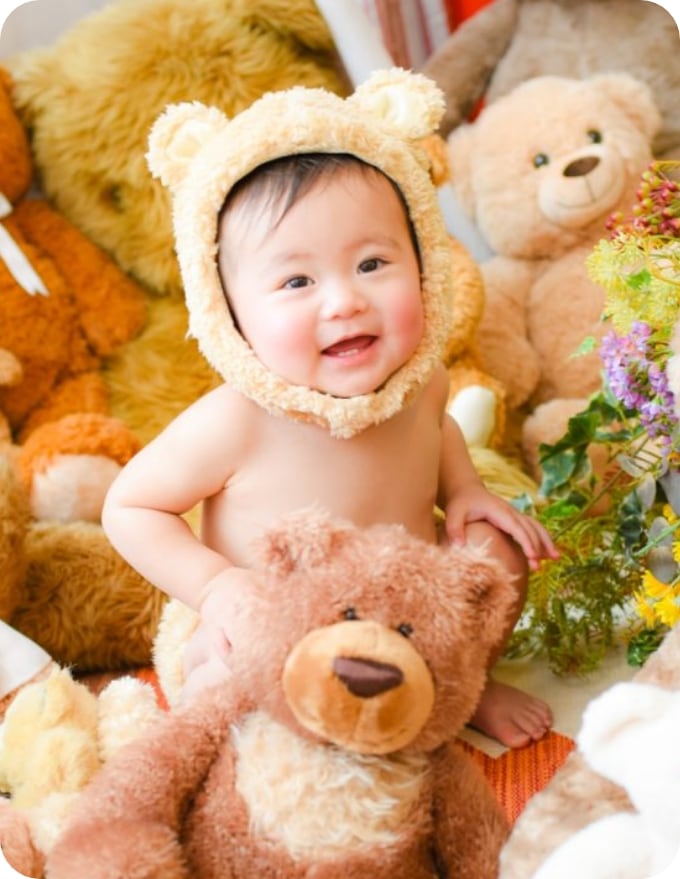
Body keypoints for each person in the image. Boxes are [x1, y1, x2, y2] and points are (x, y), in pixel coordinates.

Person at [102, 69, 558, 749]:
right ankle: (250, 741)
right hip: (279, 629)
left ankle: (461, 684)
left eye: (372, 264)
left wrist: (464, 491)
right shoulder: (237, 420)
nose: (344, 301)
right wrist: (218, 587)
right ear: (229, 314)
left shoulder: (420, 382)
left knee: (497, 553)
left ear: (424, 263)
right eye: (297, 281)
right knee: (226, 681)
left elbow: (437, 429)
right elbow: (130, 508)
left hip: (406, 619)